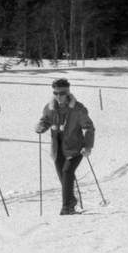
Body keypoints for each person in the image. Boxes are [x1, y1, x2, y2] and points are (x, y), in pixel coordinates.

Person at [35, 78, 95, 215]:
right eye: (55, 93)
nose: (58, 96)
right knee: (63, 177)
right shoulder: (49, 107)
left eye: (61, 93)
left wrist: (88, 146)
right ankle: (72, 200)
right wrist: (41, 127)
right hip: (57, 147)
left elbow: (89, 128)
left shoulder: (78, 109)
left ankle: (67, 207)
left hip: (76, 148)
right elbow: (45, 120)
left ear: (68, 93)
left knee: (67, 172)